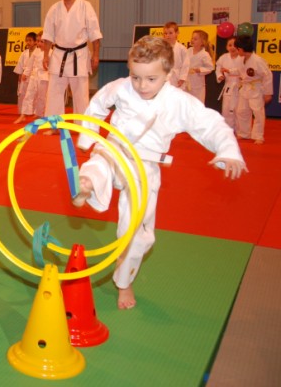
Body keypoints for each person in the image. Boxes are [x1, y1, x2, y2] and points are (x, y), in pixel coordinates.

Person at [71, 35, 246, 310]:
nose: (141, 85)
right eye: (135, 77)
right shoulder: (121, 87)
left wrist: (228, 151)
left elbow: (210, 124)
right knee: (99, 163)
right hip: (115, 150)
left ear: (168, 73)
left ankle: (124, 282)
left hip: (146, 165)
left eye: (150, 79)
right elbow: (97, 104)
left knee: (139, 234)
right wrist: (88, 136)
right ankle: (86, 183)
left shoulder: (179, 101)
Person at [42, 0, 102, 117]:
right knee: (54, 93)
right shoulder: (54, 9)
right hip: (58, 54)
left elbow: (95, 33)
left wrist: (96, 55)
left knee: (81, 93)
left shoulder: (85, 6)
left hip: (79, 55)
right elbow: (48, 35)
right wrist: (45, 56)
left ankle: (83, 125)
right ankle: (54, 124)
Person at [234, 35, 273, 144]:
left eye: (237, 49)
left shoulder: (258, 61)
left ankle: (258, 136)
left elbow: (267, 76)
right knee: (241, 111)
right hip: (245, 87)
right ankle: (244, 133)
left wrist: (267, 93)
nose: (237, 51)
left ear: (240, 49)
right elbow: (238, 71)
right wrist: (229, 70)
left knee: (257, 112)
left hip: (256, 89)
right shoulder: (240, 59)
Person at [215, 36, 242, 129]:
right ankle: (228, 129)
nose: (232, 47)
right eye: (230, 45)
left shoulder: (242, 58)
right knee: (226, 109)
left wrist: (229, 70)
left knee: (238, 109)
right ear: (227, 47)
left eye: (235, 45)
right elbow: (218, 68)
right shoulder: (223, 57)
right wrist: (220, 76)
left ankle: (239, 130)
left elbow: (242, 70)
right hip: (228, 86)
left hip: (240, 86)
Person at [13, 32, 39, 123]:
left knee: (35, 95)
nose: (28, 42)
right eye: (27, 40)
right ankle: (22, 113)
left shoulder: (38, 52)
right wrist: (20, 75)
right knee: (22, 95)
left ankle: (35, 112)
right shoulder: (24, 53)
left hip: (35, 76)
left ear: (35, 42)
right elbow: (20, 65)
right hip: (25, 75)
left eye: (30, 40)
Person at [185, 29, 214, 102]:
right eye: (192, 38)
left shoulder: (204, 54)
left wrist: (200, 70)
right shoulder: (188, 50)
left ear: (202, 42)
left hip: (198, 85)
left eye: (195, 39)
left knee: (197, 105)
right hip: (187, 82)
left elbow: (210, 68)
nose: (192, 40)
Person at [162, 21, 189, 89]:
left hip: (177, 78)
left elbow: (186, 64)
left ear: (177, 33)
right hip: (164, 76)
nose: (168, 35)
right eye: (166, 33)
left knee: (177, 97)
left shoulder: (182, 48)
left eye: (170, 33)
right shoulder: (161, 48)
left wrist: (182, 78)